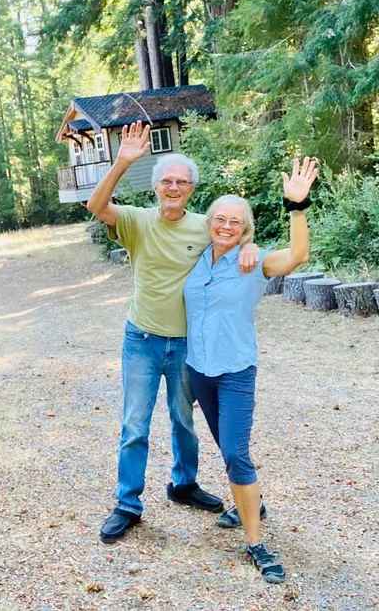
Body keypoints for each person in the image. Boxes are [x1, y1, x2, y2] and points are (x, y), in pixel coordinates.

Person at [87, 122, 258, 544]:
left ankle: (184, 484)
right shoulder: (136, 221)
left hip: (187, 346)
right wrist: (123, 160)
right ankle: (128, 503)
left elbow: (235, 232)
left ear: (192, 189)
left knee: (185, 420)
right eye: (167, 180)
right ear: (156, 186)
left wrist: (250, 244)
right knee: (135, 424)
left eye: (182, 181)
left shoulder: (204, 226)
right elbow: (96, 204)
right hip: (142, 340)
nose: (174, 187)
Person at [184, 156, 319, 583]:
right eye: (219, 219)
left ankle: (255, 542)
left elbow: (298, 255)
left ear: (246, 230)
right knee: (226, 449)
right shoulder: (192, 256)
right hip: (198, 371)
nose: (226, 226)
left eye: (235, 223)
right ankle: (252, 503)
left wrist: (296, 206)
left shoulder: (252, 263)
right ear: (209, 222)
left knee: (237, 454)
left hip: (236, 372)